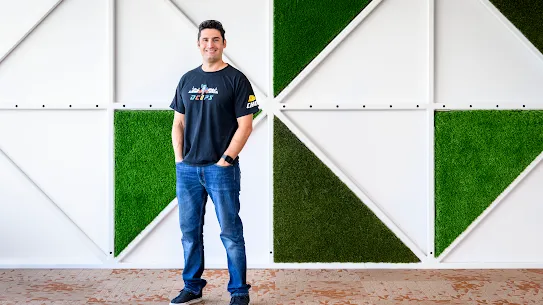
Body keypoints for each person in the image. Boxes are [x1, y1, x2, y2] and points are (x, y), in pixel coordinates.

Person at [169, 20, 259, 305]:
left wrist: (226, 160)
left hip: (221, 171)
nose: (211, 45)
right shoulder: (187, 79)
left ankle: (239, 292)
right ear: (198, 44)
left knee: (231, 233)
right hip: (188, 171)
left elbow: (246, 125)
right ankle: (192, 287)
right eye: (205, 39)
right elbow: (178, 124)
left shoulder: (236, 79)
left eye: (216, 39)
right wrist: (180, 160)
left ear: (224, 43)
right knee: (189, 233)